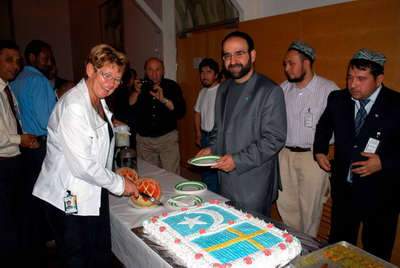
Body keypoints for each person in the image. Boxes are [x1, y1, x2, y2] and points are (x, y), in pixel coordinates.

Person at [32, 44, 139, 267]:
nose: (111, 84)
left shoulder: (97, 100)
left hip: (91, 191)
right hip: (69, 197)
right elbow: (83, 166)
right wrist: (120, 183)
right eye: (106, 75)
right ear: (90, 69)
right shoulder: (74, 106)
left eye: (117, 79)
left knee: (99, 254)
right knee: (78, 259)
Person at [314, 49, 400, 261]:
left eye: (361, 79)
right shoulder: (337, 99)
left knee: (376, 250)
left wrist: (384, 162)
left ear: (379, 79)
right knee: (339, 247)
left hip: (381, 193)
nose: (353, 85)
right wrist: (320, 150)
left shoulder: (396, 105)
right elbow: (324, 126)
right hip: (344, 190)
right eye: (350, 77)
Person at [196, 31, 287, 216]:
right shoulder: (223, 88)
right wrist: (212, 147)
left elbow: (274, 139)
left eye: (239, 53)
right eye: (227, 55)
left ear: (252, 55)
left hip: (253, 183)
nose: (233, 60)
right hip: (225, 179)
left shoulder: (269, 91)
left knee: (254, 239)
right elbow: (218, 128)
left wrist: (237, 160)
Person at [277, 40, 339, 237]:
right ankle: (292, 246)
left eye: (291, 63)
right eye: (285, 64)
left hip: (313, 158)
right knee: (286, 205)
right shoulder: (282, 90)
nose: (287, 68)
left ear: (306, 63)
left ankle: (308, 252)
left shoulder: (329, 90)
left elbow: (338, 127)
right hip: (284, 155)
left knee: (310, 210)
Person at [10, 39, 57, 267]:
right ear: (31, 58)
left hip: (25, 148)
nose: (49, 62)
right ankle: (42, 253)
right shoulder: (38, 81)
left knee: (29, 205)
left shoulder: (17, 80)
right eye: (45, 58)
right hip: (42, 146)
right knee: (45, 203)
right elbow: (47, 121)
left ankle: (31, 254)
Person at [0, 40, 39, 268]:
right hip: (2, 167)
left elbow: (12, 124)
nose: (15, 65)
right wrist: (19, 139)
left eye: (17, 60)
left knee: (19, 228)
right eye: (8, 60)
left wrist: (26, 138)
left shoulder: (8, 89)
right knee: (7, 235)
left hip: (15, 164)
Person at [131, 57, 186, 175]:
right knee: (147, 175)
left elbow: (180, 111)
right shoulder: (139, 86)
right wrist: (136, 92)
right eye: (150, 70)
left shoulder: (172, 86)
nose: (154, 73)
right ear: (145, 71)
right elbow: (129, 108)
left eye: (158, 70)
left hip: (167, 138)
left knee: (172, 175)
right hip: (144, 140)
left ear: (163, 71)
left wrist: (163, 100)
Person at [194, 58, 220, 193]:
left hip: (217, 139)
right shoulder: (202, 92)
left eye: (209, 72)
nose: (205, 76)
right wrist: (198, 134)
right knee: (205, 172)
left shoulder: (222, 90)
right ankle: (208, 198)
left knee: (216, 174)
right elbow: (197, 113)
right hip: (204, 137)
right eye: (202, 72)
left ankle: (217, 201)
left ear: (216, 75)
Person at [113, 68, 138, 148]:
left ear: (135, 78)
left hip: (135, 129)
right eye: (127, 77)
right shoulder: (120, 92)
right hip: (122, 128)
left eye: (131, 77)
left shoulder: (138, 92)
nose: (129, 80)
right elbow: (116, 109)